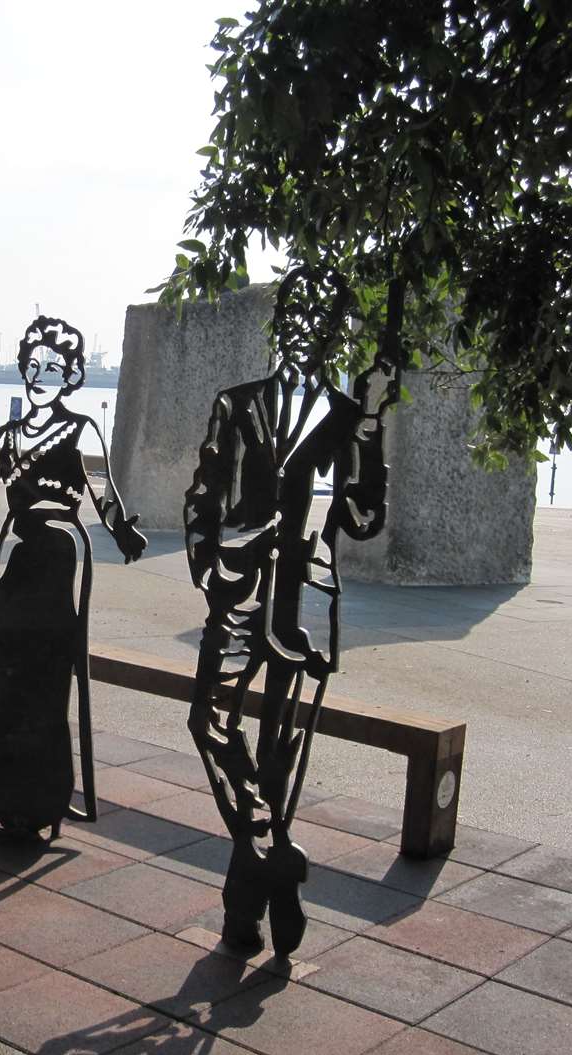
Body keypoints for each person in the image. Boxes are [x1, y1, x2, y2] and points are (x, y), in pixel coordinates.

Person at [183, 266, 397, 959]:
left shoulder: (343, 415)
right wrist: (208, 561)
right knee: (208, 722)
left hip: (304, 603)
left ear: (335, 328)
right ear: (281, 321)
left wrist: (370, 425)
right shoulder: (235, 403)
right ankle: (277, 855)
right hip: (241, 594)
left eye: (320, 312)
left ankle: (243, 914)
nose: (306, 323)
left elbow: (362, 518)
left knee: (280, 762)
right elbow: (204, 493)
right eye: (295, 310)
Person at [0, 315, 146, 840]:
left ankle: (42, 804)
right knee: (5, 685)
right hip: (15, 569)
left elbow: (103, 493)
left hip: (56, 564)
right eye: (33, 365)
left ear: (72, 377)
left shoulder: (80, 429)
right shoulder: (7, 435)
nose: (40, 375)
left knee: (45, 685)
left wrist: (124, 531)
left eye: (53, 368)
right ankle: (4, 797)